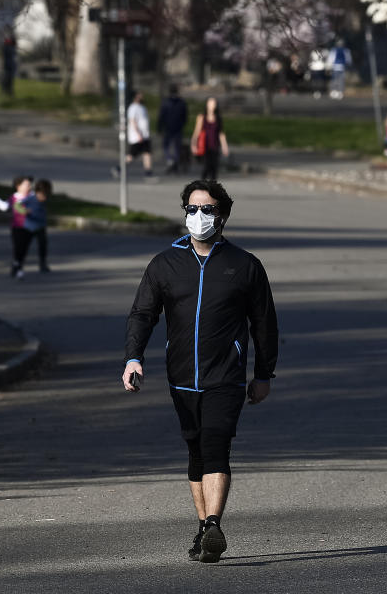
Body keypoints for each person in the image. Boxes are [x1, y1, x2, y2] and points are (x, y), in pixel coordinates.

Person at [121, 179, 278, 564]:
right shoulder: (165, 264)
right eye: (191, 209)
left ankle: (212, 522)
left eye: (206, 210)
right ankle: (205, 530)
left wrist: (263, 374)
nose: (198, 217)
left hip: (226, 375)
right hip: (181, 376)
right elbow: (143, 313)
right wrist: (133, 357)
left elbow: (264, 324)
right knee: (195, 450)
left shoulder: (244, 266)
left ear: (221, 216)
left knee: (215, 445)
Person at [0, 175, 35, 278]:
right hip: (17, 227)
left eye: (29, 185)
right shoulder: (15, 197)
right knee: (18, 247)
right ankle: (18, 268)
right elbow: (4, 207)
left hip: (29, 227)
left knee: (24, 248)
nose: (28, 187)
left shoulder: (32, 197)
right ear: (18, 186)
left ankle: (17, 265)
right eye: (26, 185)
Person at [189, 97, 229, 182]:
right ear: (207, 104)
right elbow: (197, 131)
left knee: (214, 167)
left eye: (214, 104)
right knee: (207, 166)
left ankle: (213, 187)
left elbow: (221, 133)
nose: (212, 105)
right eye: (210, 103)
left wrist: (224, 146)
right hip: (205, 145)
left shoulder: (218, 118)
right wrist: (193, 144)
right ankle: (202, 184)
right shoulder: (201, 117)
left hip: (215, 145)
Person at [157, 85, 188, 174]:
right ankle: (175, 163)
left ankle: (171, 161)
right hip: (178, 128)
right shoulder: (182, 102)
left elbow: (161, 116)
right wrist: (182, 124)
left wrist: (159, 128)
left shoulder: (165, 102)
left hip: (168, 128)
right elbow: (185, 116)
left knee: (166, 146)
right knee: (177, 147)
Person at [122, 90, 153, 177]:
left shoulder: (142, 107)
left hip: (145, 135)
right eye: (140, 95)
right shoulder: (133, 108)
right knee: (131, 155)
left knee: (147, 153)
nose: (142, 96)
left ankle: (148, 172)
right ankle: (120, 168)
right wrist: (138, 134)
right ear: (135, 97)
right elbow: (132, 121)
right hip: (137, 136)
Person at [27, 179, 52, 273]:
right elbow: (18, 205)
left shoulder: (44, 199)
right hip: (29, 226)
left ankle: (43, 263)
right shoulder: (30, 198)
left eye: (46, 194)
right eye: (42, 194)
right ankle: (17, 263)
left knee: (43, 244)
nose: (44, 197)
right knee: (24, 246)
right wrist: (24, 211)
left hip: (41, 226)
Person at [1, 30, 18, 97]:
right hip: (9, 66)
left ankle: (9, 92)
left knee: (10, 80)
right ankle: (7, 92)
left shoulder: (10, 47)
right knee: (8, 80)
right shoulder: (7, 47)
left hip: (11, 66)